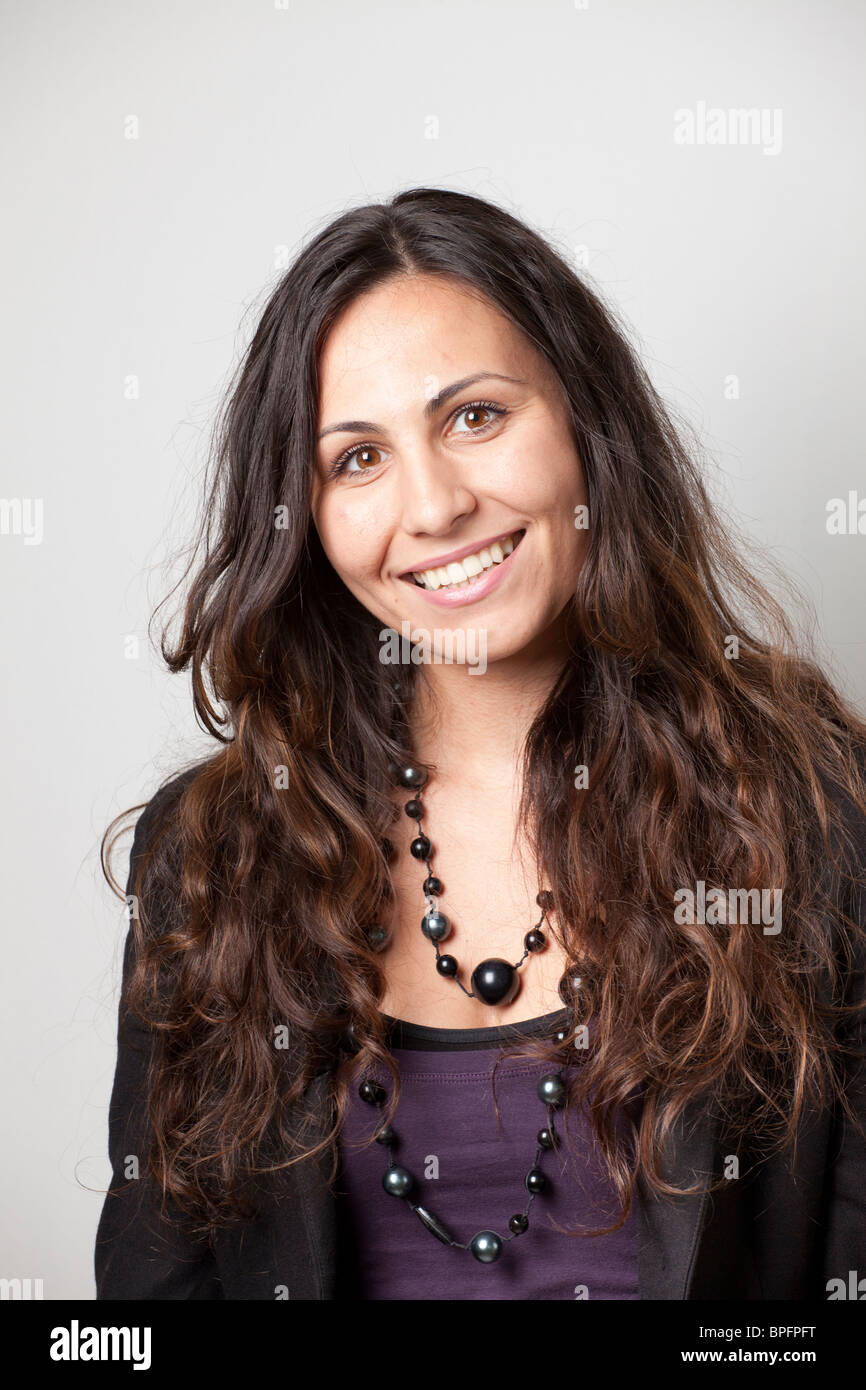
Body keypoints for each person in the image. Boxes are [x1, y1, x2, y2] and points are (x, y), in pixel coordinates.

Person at [95, 187, 866, 1301]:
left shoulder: (810, 810)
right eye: (355, 459)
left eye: (474, 416)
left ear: (582, 422)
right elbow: (152, 1299)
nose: (436, 504)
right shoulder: (213, 853)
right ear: (302, 520)